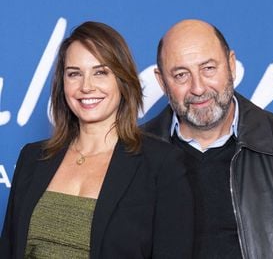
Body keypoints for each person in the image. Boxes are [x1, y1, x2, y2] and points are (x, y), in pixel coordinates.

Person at [0, 21, 194, 258]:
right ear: (63, 84)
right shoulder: (32, 157)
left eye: (100, 72)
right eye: (74, 74)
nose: (86, 86)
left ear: (122, 80)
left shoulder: (161, 165)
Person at [142, 19, 273, 258]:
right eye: (181, 75)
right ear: (162, 81)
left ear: (231, 65)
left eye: (208, 69)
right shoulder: (134, 152)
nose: (198, 88)